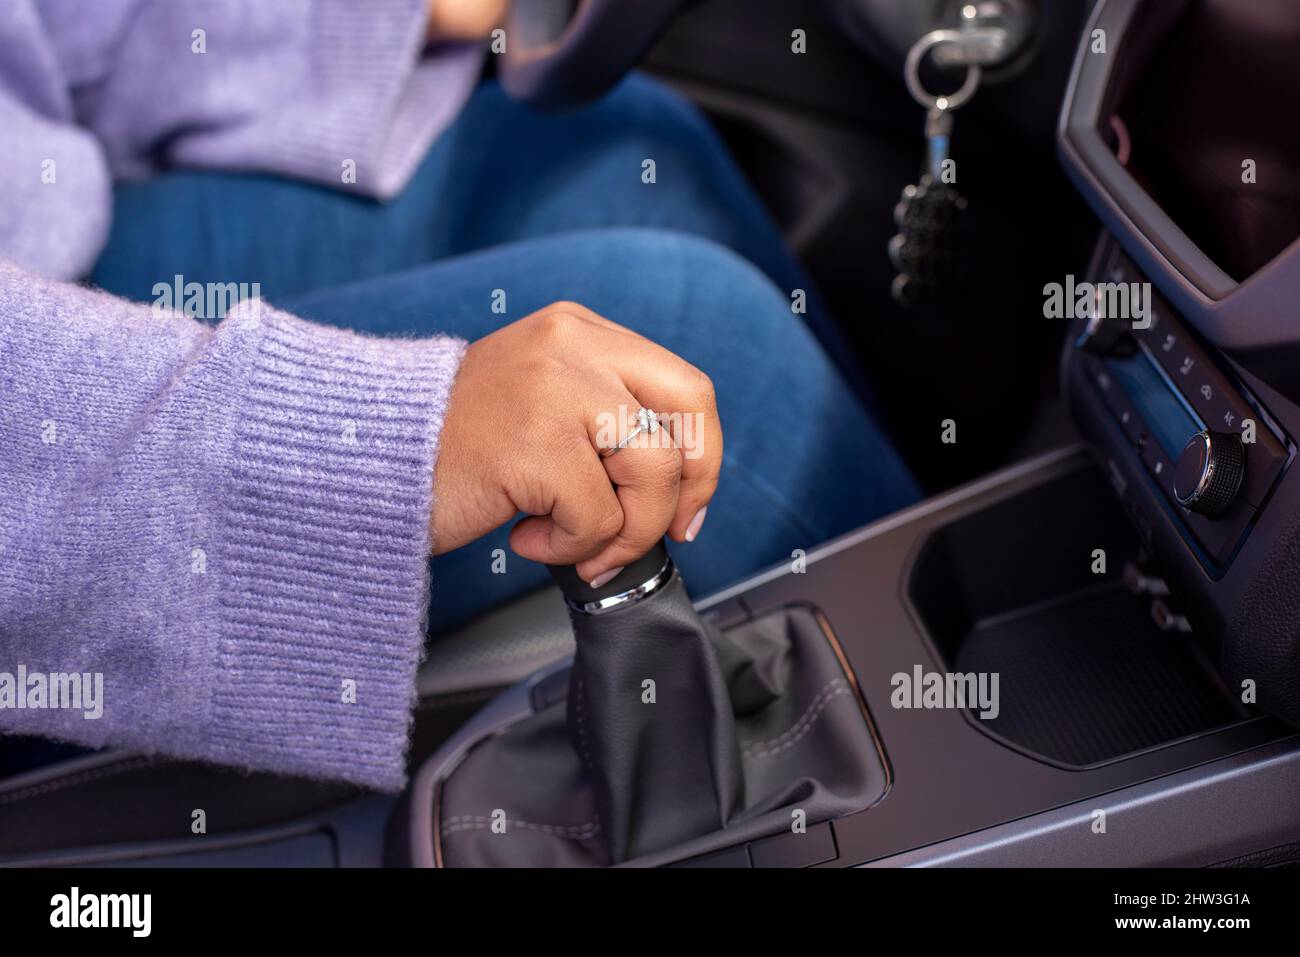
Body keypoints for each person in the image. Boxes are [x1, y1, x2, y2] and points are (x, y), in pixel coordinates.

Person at [0, 0, 919, 789]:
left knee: (624, 146)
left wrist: (352, 20)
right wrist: (378, 440)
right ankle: (924, 757)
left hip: (43, 219)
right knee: (703, 344)